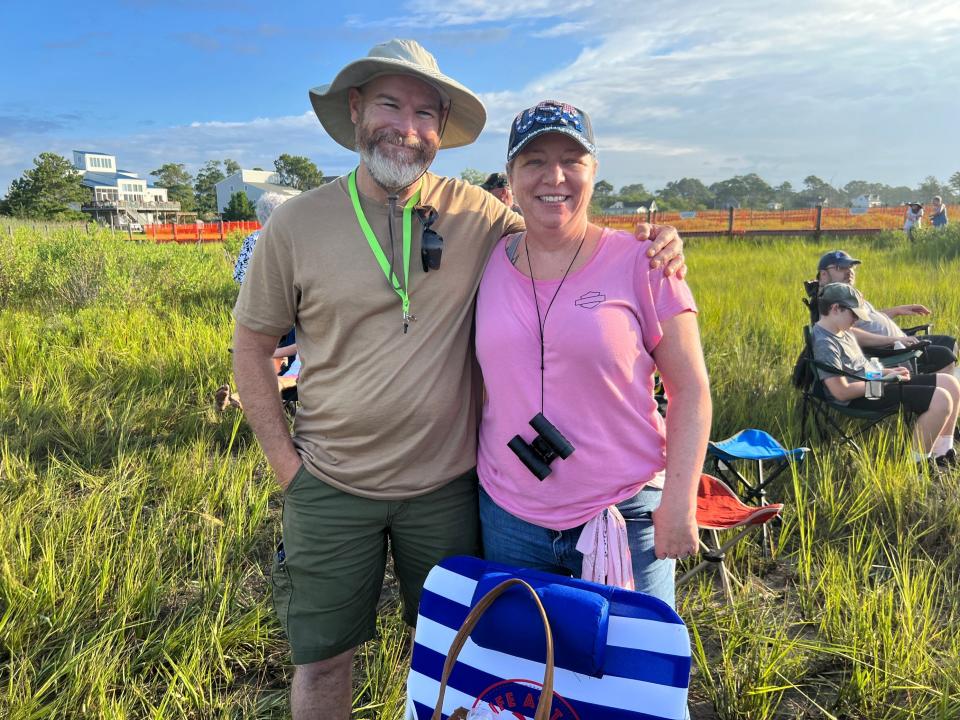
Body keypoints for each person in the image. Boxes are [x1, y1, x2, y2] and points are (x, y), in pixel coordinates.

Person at [230, 40, 686, 719]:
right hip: (329, 484)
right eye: (390, 103)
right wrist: (286, 466)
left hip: (449, 490)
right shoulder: (295, 225)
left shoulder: (479, 214)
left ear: (441, 130)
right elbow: (251, 344)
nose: (407, 127)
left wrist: (655, 246)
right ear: (356, 109)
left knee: (468, 654)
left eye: (426, 112)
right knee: (322, 662)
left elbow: (561, 222)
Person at [475, 100, 712, 610]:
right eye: (534, 160)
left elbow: (690, 388)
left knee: (629, 676)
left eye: (571, 160)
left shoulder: (644, 262)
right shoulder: (487, 259)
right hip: (509, 515)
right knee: (528, 673)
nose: (553, 176)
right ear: (511, 176)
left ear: (594, 171)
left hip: (621, 512)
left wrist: (679, 501)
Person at [813, 283, 960, 470]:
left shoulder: (842, 332)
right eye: (854, 314)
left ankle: (942, 454)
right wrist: (882, 381)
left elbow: (858, 371)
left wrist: (886, 373)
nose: (857, 320)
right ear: (835, 309)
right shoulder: (826, 343)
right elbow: (841, 392)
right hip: (860, 396)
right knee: (940, 399)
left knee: (950, 383)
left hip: (874, 384)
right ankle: (917, 466)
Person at [815, 249, 957, 375]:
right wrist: (895, 340)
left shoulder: (847, 295)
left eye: (851, 267)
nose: (849, 271)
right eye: (841, 267)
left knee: (950, 342)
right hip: (889, 350)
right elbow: (847, 334)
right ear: (823, 275)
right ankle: (932, 398)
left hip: (901, 341)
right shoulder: (829, 301)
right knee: (945, 357)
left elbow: (868, 318)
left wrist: (897, 310)